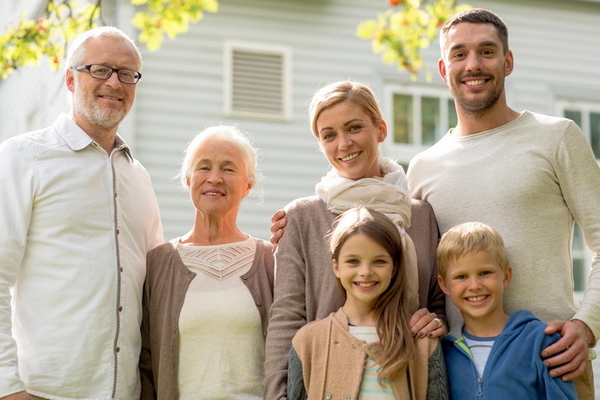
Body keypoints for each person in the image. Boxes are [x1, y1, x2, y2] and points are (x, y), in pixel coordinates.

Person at [406, 8, 599, 398]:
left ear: (507, 61)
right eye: (459, 54)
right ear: (444, 69)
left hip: (552, 366)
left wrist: (587, 324)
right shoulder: (423, 167)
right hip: (456, 375)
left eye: (487, 51)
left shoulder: (557, 137)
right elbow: (411, 265)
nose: (473, 65)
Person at [0, 27, 163, 400]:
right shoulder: (23, 158)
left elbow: (155, 284)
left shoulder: (138, 177)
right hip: (42, 392)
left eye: (127, 73)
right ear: (70, 79)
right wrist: (7, 387)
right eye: (101, 69)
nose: (115, 83)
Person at [265, 81, 446, 399]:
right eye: (329, 135)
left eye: (354, 128)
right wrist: (278, 394)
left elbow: (438, 302)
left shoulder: (421, 216)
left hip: (403, 381)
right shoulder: (302, 217)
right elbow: (287, 316)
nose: (344, 143)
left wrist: (435, 321)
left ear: (380, 129)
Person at [139, 125, 274, 399]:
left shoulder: (271, 260)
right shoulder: (157, 264)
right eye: (203, 167)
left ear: (248, 185)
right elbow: (144, 363)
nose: (214, 178)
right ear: (188, 180)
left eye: (228, 168)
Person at [288, 207, 448, 400]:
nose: (365, 272)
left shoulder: (422, 343)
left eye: (379, 261)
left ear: (394, 268)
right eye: (353, 261)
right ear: (336, 266)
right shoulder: (307, 341)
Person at [436, 222, 577, 399]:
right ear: (444, 285)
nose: (474, 286)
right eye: (461, 276)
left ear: (506, 276)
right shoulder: (445, 351)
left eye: (485, 273)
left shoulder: (540, 340)